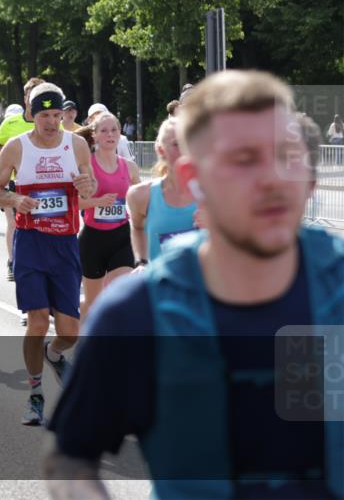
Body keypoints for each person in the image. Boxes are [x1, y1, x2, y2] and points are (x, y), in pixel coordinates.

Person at [45, 70, 342, 500]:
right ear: (191, 178)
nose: (273, 179)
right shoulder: (136, 314)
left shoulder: (336, 286)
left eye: (288, 156)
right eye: (244, 159)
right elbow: (70, 458)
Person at [0, 82, 95, 426]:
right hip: (31, 242)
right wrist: (15, 198)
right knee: (36, 321)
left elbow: (90, 185)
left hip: (65, 243)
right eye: (44, 115)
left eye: (56, 115)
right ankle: (35, 394)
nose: (51, 122)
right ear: (32, 115)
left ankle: (54, 353)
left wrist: (87, 185)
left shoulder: (76, 144)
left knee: (70, 332)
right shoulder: (17, 147)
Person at [75, 113, 140, 319]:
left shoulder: (130, 167)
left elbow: (141, 199)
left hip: (122, 237)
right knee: (94, 304)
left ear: (120, 134)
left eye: (114, 130)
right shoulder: (86, 166)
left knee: (120, 294)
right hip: (93, 240)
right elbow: (73, 203)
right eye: (104, 131)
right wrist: (97, 202)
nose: (110, 135)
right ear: (94, 135)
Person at [0, 79, 45, 281]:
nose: (33, 98)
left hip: (45, 184)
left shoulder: (50, 122)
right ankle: (13, 262)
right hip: (18, 182)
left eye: (38, 94)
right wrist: (10, 160)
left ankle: (41, 263)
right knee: (15, 223)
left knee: (43, 225)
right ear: (25, 98)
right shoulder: (11, 122)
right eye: (30, 94)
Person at [126, 117, 198, 264]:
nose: (185, 150)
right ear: (161, 150)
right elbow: (137, 228)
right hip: (163, 278)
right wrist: (141, 262)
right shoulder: (141, 195)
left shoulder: (214, 192)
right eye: (177, 144)